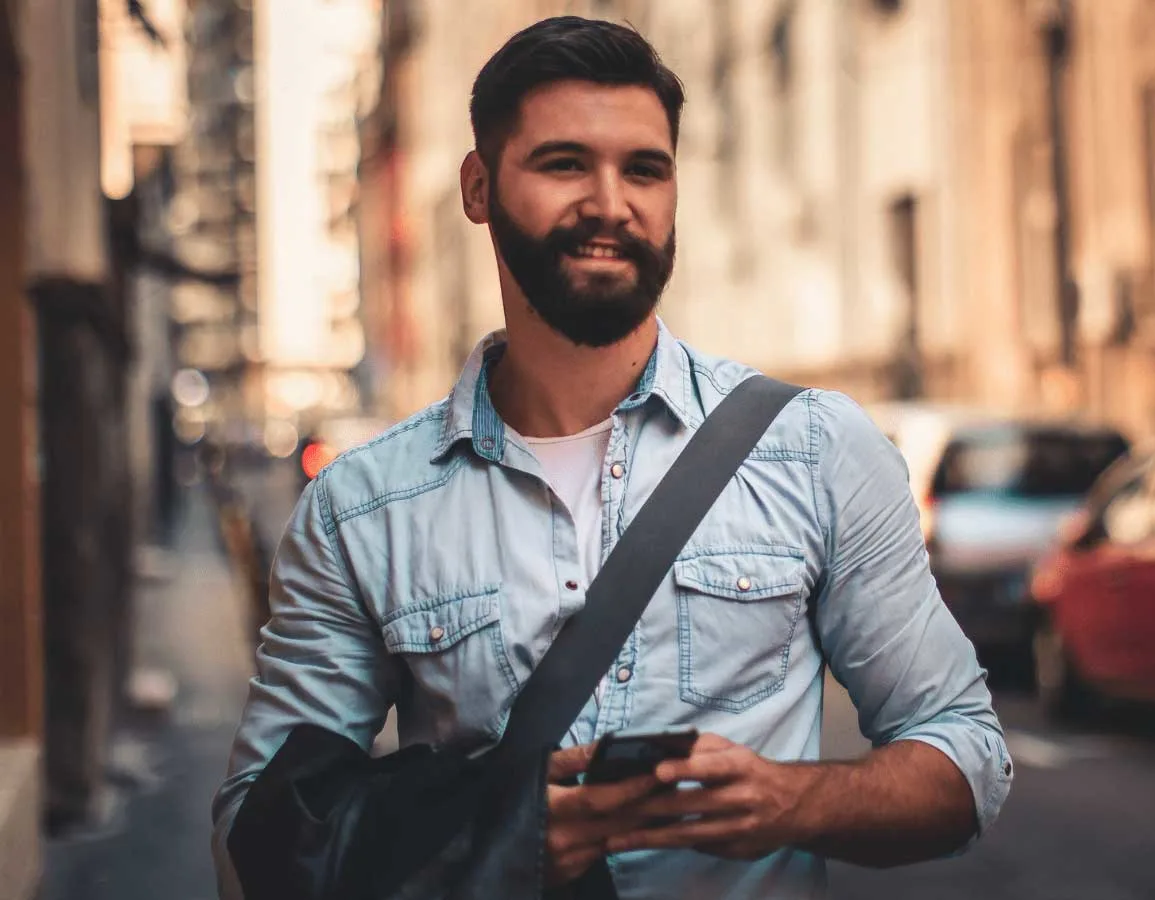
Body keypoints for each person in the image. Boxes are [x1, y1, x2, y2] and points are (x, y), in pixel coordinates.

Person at [212, 15, 1012, 899]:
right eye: (564, 164)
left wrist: (794, 802)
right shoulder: (359, 509)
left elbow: (965, 751)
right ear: (478, 188)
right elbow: (257, 829)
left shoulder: (817, 451)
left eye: (644, 168)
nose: (610, 203)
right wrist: (497, 832)